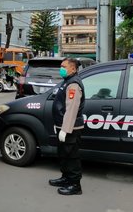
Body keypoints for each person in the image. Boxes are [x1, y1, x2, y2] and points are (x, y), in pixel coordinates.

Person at [49, 58, 85, 195]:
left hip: (71, 128)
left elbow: (71, 109)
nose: (61, 68)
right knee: (63, 154)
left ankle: (75, 185)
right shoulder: (67, 81)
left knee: (72, 156)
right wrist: (58, 125)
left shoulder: (74, 85)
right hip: (62, 126)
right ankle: (66, 178)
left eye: (64, 66)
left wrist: (64, 129)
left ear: (73, 69)